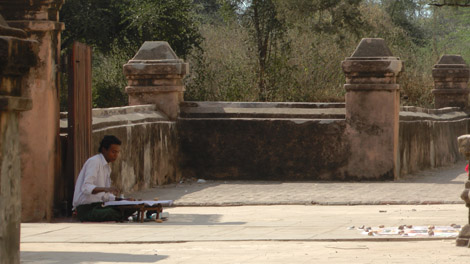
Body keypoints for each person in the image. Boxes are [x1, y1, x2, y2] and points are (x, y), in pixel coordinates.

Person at [72, 135, 134, 222]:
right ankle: (120, 216)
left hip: (99, 205)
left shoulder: (107, 167)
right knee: (112, 213)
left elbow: (105, 197)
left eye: (117, 152)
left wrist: (123, 200)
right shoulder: (94, 162)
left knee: (130, 207)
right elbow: (86, 187)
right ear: (104, 150)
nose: (116, 155)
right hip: (85, 208)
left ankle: (122, 214)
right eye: (113, 152)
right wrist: (106, 189)